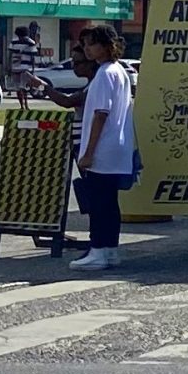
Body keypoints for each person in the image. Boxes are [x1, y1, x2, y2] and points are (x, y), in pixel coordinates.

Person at [66, 23, 137, 273]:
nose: (87, 49)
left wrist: (88, 153)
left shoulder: (106, 74)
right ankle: (109, 250)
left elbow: (100, 114)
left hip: (102, 149)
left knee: (98, 203)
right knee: (109, 203)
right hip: (116, 148)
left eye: (92, 43)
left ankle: (97, 250)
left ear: (107, 46)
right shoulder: (118, 71)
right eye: (85, 44)